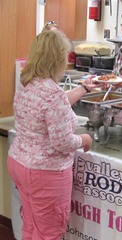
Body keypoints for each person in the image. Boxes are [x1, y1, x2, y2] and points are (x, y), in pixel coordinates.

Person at [7, 30, 99, 240]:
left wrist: (84, 87)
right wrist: (84, 139)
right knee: (49, 233)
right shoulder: (52, 93)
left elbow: (52, 104)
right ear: (58, 58)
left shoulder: (26, 82)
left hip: (20, 164)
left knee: (31, 226)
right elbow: (63, 142)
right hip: (45, 173)